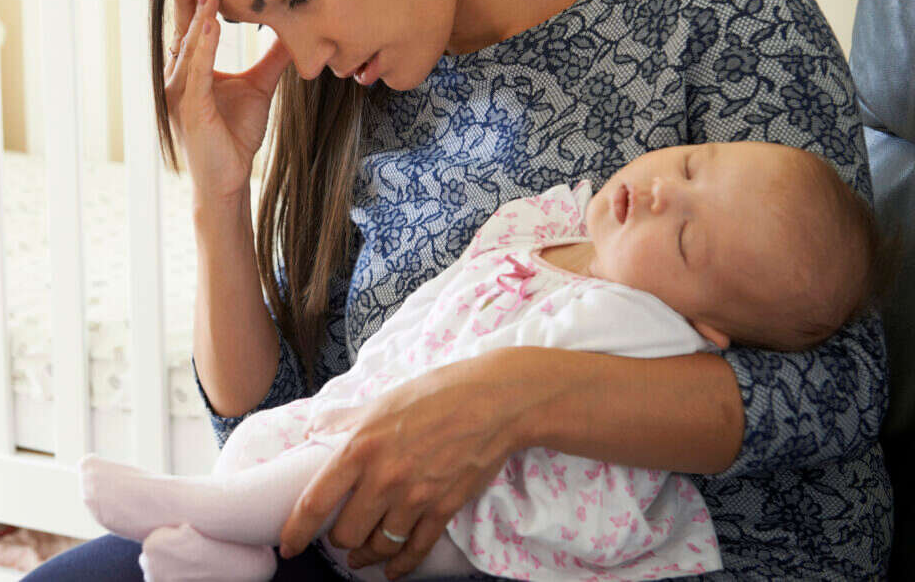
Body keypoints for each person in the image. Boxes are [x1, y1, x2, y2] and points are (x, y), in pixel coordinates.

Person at [22, 0, 892, 579]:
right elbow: (280, 433)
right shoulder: (354, 93)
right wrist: (219, 196)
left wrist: (509, 398)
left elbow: (842, 384)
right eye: (265, 20)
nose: (306, 55)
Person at [76, 141, 884, 581]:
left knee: (334, 460)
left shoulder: (647, 324)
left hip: (461, 515)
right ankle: (227, 555)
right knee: (267, 434)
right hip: (379, 415)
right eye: (691, 163)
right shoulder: (558, 222)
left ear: (707, 324)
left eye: (686, 238)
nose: (664, 193)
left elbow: (850, 386)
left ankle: (208, 510)